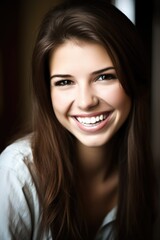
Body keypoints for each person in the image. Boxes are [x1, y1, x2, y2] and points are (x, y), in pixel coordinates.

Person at [0, 0, 157, 239]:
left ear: (134, 80)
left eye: (104, 77)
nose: (85, 101)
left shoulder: (151, 180)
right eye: (64, 82)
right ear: (47, 93)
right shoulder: (16, 173)